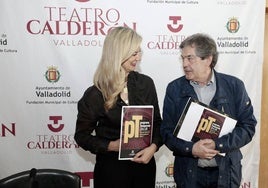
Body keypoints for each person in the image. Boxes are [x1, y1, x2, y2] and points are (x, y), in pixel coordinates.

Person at [160, 33, 257, 188]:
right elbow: (166, 132)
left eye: (190, 58)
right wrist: (191, 149)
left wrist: (218, 144)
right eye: (182, 58)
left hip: (226, 173)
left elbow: (247, 127)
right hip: (189, 174)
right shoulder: (175, 89)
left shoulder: (234, 86)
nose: (184, 64)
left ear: (208, 59)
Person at [74, 26, 162, 188]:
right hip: (112, 171)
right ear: (117, 54)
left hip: (144, 167)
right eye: (133, 53)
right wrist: (112, 146)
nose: (138, 58)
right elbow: (81, 136)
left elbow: (157, 123)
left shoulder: (146, 83)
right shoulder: (96, 94)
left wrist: (153, 147)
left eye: (139, 52)